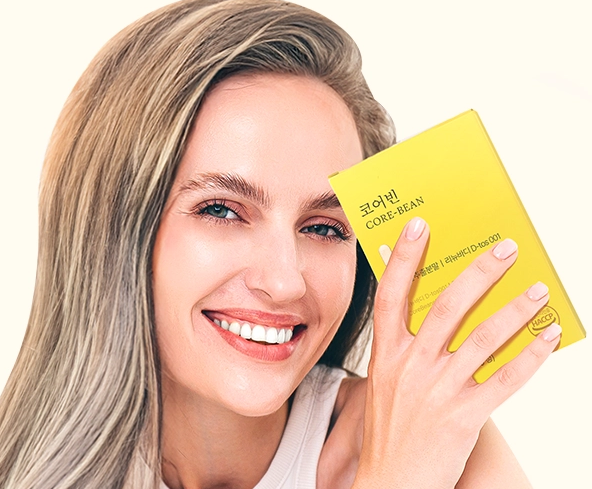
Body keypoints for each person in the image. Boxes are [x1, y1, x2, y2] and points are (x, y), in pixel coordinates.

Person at [0, 1, 562, 487]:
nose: (285, 280)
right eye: (222, 210)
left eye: (324, 228)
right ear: (113, 228)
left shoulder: (434, 441)